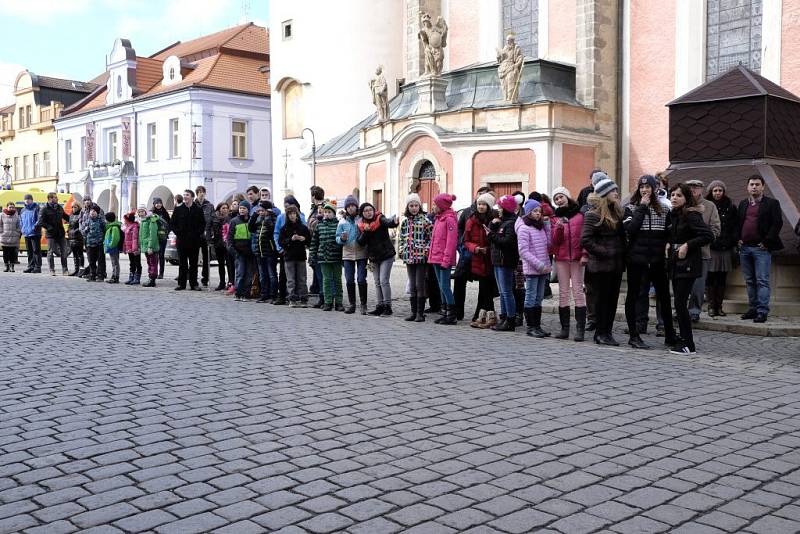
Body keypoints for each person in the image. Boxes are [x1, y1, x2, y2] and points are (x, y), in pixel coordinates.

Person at [622, 175, 677, 350]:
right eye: (641, 187)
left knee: (664, 297)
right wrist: (642, 207)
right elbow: (631, 229)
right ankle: (634, 335)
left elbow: (671, 231)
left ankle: (670, 335)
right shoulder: (631, 208)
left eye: (648, 187)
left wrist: (669, 242)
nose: (644, 190)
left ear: (654, 188)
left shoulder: (664, 209)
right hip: (637, 260)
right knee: (635, 295)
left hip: (657, 260)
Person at [667, 183, 714, 355]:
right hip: (676, 263)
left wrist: (688, 244)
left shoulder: (691, 215)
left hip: (688, 265)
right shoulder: (673, 215)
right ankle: (683, 339)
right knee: (678, 304)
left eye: (679, 195)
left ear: (686, 198)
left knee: (680, 303)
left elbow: (708, 235)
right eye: (672, 194)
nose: (674, 198)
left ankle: (688, 344)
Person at [580, 177, 626, 346]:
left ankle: (607, 332)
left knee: (612, 301)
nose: (616, 193)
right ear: (605, 194)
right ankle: (600, 333)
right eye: (613, 191)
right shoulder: (592, 214)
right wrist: (604, 252)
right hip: (600, 266)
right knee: (602, 301)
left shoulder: (617, 212)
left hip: (616, 265)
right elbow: (585, 240)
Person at [737, 174, 784, 323]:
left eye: (757, 184)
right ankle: (752, 309)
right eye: (752, 184)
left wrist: (767, 242)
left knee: (762, 280)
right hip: (744, 248)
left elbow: (777, 224)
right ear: (747, 187)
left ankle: (762, 311)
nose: (754, 187)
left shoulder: (772, 203)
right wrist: (737, 238)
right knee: (750, 280)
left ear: (763, 186)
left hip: (761, 248)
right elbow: (738, 223)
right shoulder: (743, 204)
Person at [550, 187, 586, 341]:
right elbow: (555, 242)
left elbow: (585, 236)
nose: (559, 200)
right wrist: (558, 227)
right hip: (561, 259)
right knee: (563, 293)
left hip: (578, 258)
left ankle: (580, 330)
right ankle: (565, 329)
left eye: (561, 197)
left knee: (578, 291)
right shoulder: (554, 218)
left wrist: (585, 254)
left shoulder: (579, 215)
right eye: (556, 198)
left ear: (567, 197)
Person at [454, 186, 494, 321]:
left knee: (484, 285)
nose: (481, 199)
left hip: (484, 256)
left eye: (485, 195)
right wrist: (461, 245)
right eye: (480, 194)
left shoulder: (493, 215)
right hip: (467, 254)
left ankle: (479, 313)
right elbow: (460, 230)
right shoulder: (467, 212)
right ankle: (457, 312)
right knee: (459, 281)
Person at [683, 179, 721, 322]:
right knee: (682, 285)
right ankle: (680, 310)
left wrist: (705, 240)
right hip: (683, 251)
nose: (693, 190)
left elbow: (716, 228)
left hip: (702, 252)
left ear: (702, 189)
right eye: (690, 187)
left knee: (698, 286)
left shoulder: (709, 206)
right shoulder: (683, 204)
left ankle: (694, 311)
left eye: (696, 187)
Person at [517, 198, 552, 338]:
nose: (538, 214)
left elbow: (548, 245)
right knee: (530, 297)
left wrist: (548, 226)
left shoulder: (540, 227)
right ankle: (531, 326)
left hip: (543, 269)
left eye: (539, 211)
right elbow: (523, 251)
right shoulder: (524, 228)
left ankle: (537, 326)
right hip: (533, 268)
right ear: (528, 212)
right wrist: (538, 264)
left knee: (539, 298)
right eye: (535, 211)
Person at [357, 202, 399, 316]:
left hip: (386, 255)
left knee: (383, 280)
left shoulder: (380, 218)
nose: (368, 212)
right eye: (365, 211)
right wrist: (365, 231)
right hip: (373, 258)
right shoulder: (361, 225)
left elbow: (388, 222)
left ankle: (387, 307)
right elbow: (360, 242)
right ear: (362, 214)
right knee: (376, 282)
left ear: (373, 210)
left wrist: (394, 222)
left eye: (370, 209)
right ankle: (380, 306)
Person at [463, 191, 497, 329]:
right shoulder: (471, 220)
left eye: (484, 204)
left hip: (491, 259)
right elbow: (466, 240)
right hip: (478, 259)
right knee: (483, 288)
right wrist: (475, 248)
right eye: (479, 204)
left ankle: (486, 316)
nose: (481, 206)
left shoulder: (494, 220)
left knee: (487, 288)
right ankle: (487, 316)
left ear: (489, 206)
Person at [705, 180, 738, 317]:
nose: (717, 193)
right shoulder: (706, 206)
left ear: (724, 192)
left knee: (722, 278)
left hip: (725, 247)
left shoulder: (730, 206)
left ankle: (719, 306)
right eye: (715, 190)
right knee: (710, 277)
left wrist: (731, 241)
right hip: (711, 247)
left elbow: (735, 226)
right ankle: (711, 306)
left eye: (720, 190)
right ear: (711, 192)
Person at [398, 193, 432, 322]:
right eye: (411, 205)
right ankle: (413, 312)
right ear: (408, 207)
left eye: (416, 205)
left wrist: (426, 250)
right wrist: (401, 250)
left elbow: (430, 239)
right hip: (409, 256)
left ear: (419, 206)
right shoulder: (405, 222)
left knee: (419, 284)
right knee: (412, 285)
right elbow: (402, 238)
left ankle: (420, 313)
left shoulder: (425, 221)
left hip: (421, 257)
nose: (413, 208)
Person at [488, 195, 520, 332]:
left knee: (507, 291)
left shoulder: (511, 223)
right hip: (497, 260)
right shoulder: (502, 221)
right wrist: (492, 226)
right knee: (502, 291)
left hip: (505, 261)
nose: (498, 210)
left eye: (500, 207)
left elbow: (507, 242)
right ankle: (504, 317)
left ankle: (510, 320)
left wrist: (491, 235)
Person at [428, 193, 459, 325]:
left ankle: (452, 314)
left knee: (445, 286)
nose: (433, 206)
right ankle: (445, 311)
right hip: (435, 257)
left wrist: (446, 260)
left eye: (435, 204)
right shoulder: (439, 219)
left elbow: (451, 242)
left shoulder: (449, 219)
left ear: (441, 206)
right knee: (441, 286)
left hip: (443, 259)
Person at [336, 195, 368, 314]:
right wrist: (342, 239)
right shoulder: (342, 221)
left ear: (356, 206)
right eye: (348, 206)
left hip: (362, 253)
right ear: (346, 208)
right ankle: (352, 304)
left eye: (352, 206)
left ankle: (363, 305)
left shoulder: (362, 219)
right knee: (349, 279)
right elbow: (337, 238)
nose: (350, 208)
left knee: (361, 279)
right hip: (347, 253)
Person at [310, 203, 344, 311]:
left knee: (337, 280)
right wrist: (312, 255)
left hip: (336, 257)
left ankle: (339, 302)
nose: (327, 214)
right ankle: (328, 302)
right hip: (323, 258)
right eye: (325, 212)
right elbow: (314, 243)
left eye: (329, 212)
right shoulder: (319, 225)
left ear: (334, 214)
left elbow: (341, 241)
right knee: (326, 280)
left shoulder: (339, 225)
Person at [171, 189, 205, 291]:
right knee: (182, 263)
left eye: (187, 195)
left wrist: (197, 234)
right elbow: (172, 223)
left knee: (194, 264)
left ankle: (194, 283)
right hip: (181, 241)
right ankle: (181, 284)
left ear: (192, 197)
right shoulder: (178, 209)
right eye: (184, 195)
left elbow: (202, 224)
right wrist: (178, 232)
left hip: (194, 241)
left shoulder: (198, 209)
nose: (185, 197)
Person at [278, 205, 311, 307]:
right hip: (289, 256)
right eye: (290, 214)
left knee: (302, 278)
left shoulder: (303, 228)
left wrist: (303, 239)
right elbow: (281, 242)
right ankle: (292, 298)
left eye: (294, 214)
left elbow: (309, 241)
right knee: (291, 279)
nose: (292, 216)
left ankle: (303, 298)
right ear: (287, 216)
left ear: (297, 215)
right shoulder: (284, 228)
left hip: (301, 256)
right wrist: (290, 240)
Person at [273, 195, 304, 306]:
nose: (288, 209)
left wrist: (303, 240)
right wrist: (279, 248)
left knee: (299, 275)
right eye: (286, 206)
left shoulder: (301, 216)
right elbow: (276, 233)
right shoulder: (281, 217)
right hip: (285, 250)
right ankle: (282, 296)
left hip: (298, 251)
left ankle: (298, 296)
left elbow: (305, 232)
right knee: (283, 274)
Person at [249, 202, 278, 303]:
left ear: (268, 210)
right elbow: (251, 228)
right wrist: (254, 215)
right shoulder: (258, 218)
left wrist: (268, 217)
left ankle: (273, 295)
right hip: (259, 251)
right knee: (262, 275)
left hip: (269, 251)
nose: (261, 212)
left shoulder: (273, 218)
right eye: (260, 210)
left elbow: (271, 229)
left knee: (272, 274)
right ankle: (264, 294)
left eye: (263, 210)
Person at [36, 192, 70, 276]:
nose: (57, 199)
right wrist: (49, 227)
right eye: (55, 197)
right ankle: (52, 269)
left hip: (60, 233)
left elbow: (65, 216)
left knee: (64, 251)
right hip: (50, 234)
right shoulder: (44, 209)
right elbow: (40, 222)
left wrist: (73, 219)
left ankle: (65, 270)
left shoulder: (59, 207)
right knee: (50, 252)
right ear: (50, 199)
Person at [228, 200, 254, 301]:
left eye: (244, 208)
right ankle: (238, 293)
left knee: (249, 274)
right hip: (239, 251)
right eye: (240, 208)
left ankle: (246, 293)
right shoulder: (234, 221)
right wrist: (233, 250)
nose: (242, 210)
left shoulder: (251, 220)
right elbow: (230, 237)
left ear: (248, 210)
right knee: (240, 273)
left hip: (250, 252)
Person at [195, 185, 214, 287]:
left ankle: (205, 278)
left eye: (203, 192)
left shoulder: (209, 205)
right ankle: (193, 277)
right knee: (194, 257)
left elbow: (212, 219)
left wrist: (211, 231)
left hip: (206, 234)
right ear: (197, 193)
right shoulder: (193, 204)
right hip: (196, 235)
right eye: (200, 192)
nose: (202, 194)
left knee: (206, 258)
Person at [211, 202, 232, 291]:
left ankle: (230, 282)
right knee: (220, 264)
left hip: (227, 244)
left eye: (226, 208)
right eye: (223, 208)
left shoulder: (230, 218)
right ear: (219, 209)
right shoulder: (214, 218)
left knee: (229, 264)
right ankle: (222, 282)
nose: (225, 210)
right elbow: (211, 229)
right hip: (218, 243)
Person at [139, 206, 161, 287]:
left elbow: (153, 234)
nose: (141, 213)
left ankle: (152, 279)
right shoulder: (143, 221)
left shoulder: (151, 220)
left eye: (142, 211)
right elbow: (141, 235)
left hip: (151, 246)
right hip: (145, 246)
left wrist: (150, 246)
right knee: (149, 262)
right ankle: (150, 277)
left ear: (145, 211)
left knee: (153, 262)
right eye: (139, 212)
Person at [20, 194, 42, 273]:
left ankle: (37, 267)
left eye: (29, 199)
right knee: (29, 251)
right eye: (26, 199)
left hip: (35, 233)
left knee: (36, 250)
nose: (27, 200)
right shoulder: (23, 210)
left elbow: (40, 219)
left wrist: (34, 227)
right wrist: (22, 229)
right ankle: (30, 266)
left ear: (32, 200)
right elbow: (21, 221)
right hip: (26, 233)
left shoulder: (36, 208)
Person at [151, 197, 170, 279]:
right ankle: (154, 271)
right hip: (154, 237)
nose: (158, 204)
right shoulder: (151, 213)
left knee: (161, 255)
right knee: (154, 255)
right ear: (154, 204)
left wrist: (167, 232)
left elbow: (170, 224)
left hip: (163, 237)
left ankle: (161, 273)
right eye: (156, 203)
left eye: (160, 203)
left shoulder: (165, 213)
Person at [84, 207, 105, 281]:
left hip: (99, 243)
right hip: (90, 243)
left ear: (97, 213)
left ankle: (100, 276)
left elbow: (104, 230)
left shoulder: (101, 221)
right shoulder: (88, 221)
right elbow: (85, 231)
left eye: (94, 211)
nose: (92, 212)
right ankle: (92, 275)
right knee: (91, 260)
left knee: (100, 260)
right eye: (91, 211)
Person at [121, 211, 141, 285]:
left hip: (135, 249)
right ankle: (131, 277)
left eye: (125, 219)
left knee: (137, 263)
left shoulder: (135, 226)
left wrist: (135, 249)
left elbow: (135, 238)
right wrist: (125, 247)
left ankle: (137, 278)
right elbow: (125, 239)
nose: (124, 221)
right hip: (129, 248)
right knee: (132, 263)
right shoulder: (127, 227)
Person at [103, 212, 123, 284]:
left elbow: (115, 238)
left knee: (115, 262)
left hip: (114, 248)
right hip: (112, 247)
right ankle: (113, 276)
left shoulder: (114, 227)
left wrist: (111, 245)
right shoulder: (111, 227)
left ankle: (116, 277)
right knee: (113, 262)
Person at [1, 202, 21, 272]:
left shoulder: (16, 215)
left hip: (14, 237)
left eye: (12, 207)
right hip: (5, 237)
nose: (11, 208)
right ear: (7, 207)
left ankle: (12, 267)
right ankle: (7, 267)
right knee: (5, 253)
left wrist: (17, 232)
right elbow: (0, 225)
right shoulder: (2, 215)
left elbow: (19, 225)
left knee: (13, 254)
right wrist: (1, 232)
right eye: (10, 207)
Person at [66, 203, 84, 276]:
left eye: (75, 207)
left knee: (80, 255)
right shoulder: (71, 215)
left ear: (78, 207)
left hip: (78, 238)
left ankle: (81, 270)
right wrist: (68, 231)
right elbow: (70, 225)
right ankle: (76, 270)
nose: (73, 208)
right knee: (74, 255)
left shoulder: (81, 215)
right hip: (71, 238)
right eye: (72, 207)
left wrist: (75, 231)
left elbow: (81, 226)